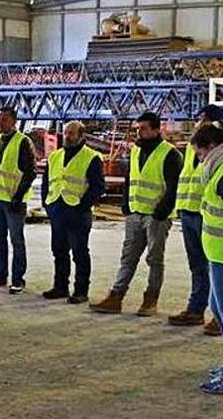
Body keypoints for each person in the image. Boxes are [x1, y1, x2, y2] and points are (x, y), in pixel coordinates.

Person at [90, 111, 183, 316]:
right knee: (128, 257)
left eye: (143, 128)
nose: (139, 132)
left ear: (156, 129)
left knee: (154, 259)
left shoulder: (170, 153)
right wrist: (126, 205)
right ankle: (116, 296)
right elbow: (130, 179)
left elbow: (174, 187)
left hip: (156, 217)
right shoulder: (135, 151)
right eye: (137, 128)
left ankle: (150, 300)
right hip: (135, 214)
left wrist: (162, 211)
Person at [169, 105, 223, 327]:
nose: (199, 122)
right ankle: (197, 309)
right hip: (193, 215)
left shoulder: (218, 167)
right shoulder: (207, 160)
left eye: (204, 119)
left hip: (216, 240)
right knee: (203, 277)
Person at [40, 121, 106, 304]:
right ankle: (60, 286)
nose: (67, 136)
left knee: (79, 252)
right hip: (57, 208)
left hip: (78, 212)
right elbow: (47, 182)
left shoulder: (91, 157)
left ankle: (81, 290)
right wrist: (47, 204)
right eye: (66, 132)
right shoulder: (55, 156)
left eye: (71, 133)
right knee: (59, 250)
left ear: (81, 135)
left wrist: (83, 206)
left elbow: (98, 187)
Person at [0, 106, 37, 295]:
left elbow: (30, 172)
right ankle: (0, 273)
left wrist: (18, 196)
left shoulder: (22, 142)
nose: (0, 122)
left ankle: (18, 278)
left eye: (4, 119)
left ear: (14, 121)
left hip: (13, 201)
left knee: (16, 240)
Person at [185, 123, 223, 393]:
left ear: (211, 147)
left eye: (199, 154)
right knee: (216, 308)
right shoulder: (217, 170)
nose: (199, 160)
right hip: (216, 253)